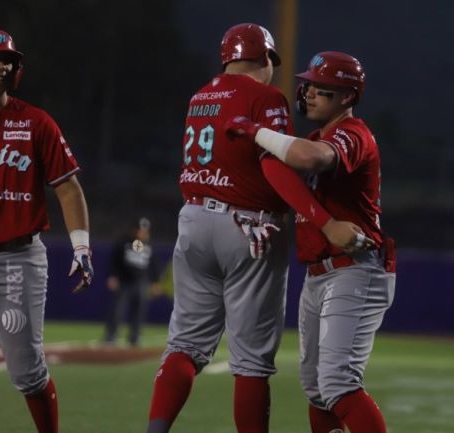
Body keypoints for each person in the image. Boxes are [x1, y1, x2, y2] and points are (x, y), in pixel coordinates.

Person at [146, 25, 367, 433]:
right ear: (265, 59)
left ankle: (155, 429)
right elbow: (274, 165)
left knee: (184, 347)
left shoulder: (200, 96)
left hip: (192, 219)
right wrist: (320, 218)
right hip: (249, 226)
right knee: (250, 362)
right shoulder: (266, 96)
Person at [227, 51, 397, 433]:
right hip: (321, 271)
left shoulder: (354, 133)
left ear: (348, 98)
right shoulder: (316, 135)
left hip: (355, 267)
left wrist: (256, 130)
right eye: (310, 85)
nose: (310, 94)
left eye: (324, 89)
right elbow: (273, 164)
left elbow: (309, 158)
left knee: (338, 383)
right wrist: (323, 221)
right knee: (318, 389)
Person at [0, 28, 93, 432]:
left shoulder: (36, 123)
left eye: (10, 60)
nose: (3, 65)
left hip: (18, 257)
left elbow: (68, 187)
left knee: (28, 372)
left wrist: (81, 248)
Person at [102, 217, 161, 347]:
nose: (143, 233)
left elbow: (153, 265)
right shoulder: (123, 242)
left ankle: (134, 338)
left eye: (145, 230)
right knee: (117, 311)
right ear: (134, 230)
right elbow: (114, 260)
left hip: (141, 282)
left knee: (139, 312)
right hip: (124, 282)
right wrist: (113, 276)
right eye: (140, 230)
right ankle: (110, 337)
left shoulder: (148, 245)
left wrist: (155, 282)